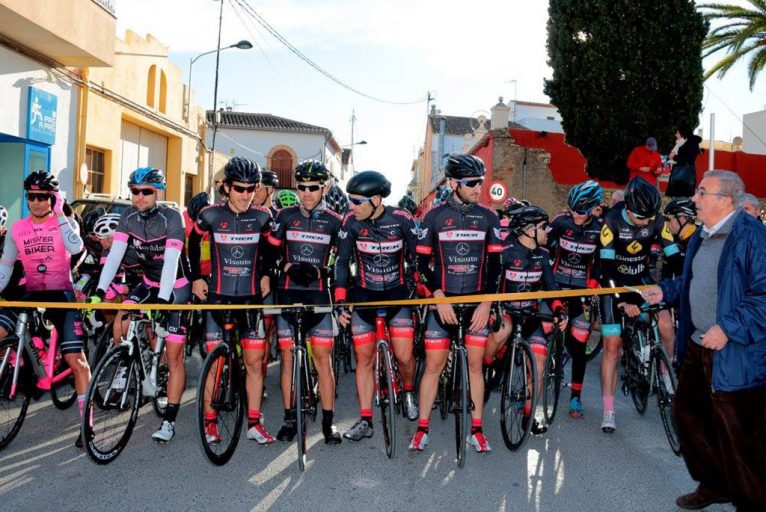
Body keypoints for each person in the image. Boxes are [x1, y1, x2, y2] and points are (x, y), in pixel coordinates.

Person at [643, 170, 766, 511]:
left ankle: (753, 501)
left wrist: (728, 328)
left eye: (701, 192)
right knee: (688, 415)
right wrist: (663, 292)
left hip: (736, 351)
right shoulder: (701, 235)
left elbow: (763, 296)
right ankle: (715, 484)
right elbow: (690, 280)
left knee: (739, 434)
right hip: (698, 345)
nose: (693, 198)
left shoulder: (752, 237)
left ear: (725, 200)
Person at [90, 167, 192, 443]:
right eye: (135, 191)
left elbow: (172, 261)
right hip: (148, 282)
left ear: (158, 192)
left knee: (173, 357)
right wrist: (99, 290)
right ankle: (126, 361)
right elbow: (115, 256)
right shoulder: (128, 217)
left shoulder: (172, 218)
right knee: (123, 315)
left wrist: (162, 301)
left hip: (176, 289)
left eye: (146, 191)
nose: (140, 196)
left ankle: (169, 421)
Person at [410, 154, 503, 452]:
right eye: (472, 183)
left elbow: (496, 264)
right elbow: (421, 262)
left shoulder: (489, 217)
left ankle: (477, 430)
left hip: (476, 303)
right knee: (434, 366)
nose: (479, 188)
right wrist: (437, 297)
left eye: (481, 182)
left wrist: (486, 303)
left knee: (475, 366)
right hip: (443, 304)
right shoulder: (434, 216)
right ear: (453, 183)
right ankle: (422, 429)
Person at [0, 172, 91, 448]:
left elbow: (76, 247)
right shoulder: (17, 228)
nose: (37, 202)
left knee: (76, 360)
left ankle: (86, 424)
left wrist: (61, 212)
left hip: (60, 295)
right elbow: (5, 266)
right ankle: (28, 364)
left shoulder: (64, 222)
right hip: (29, 292)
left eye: (43, 196)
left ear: (53, 197)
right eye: (31, 196)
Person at [189, 157, 276, 445]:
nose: (246, 195)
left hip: (250, 301)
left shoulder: (263, 216)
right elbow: (192, 242)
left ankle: (253, 422)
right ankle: (210, 423)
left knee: (254, 364)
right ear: (226, 188)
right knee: (215, 365)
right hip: (218, 298)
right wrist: (196, 278)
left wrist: (265, 274)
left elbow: (270, 251)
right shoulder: (210, 214)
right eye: (240, 189)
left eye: (251, 188)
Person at [335, 171, 419, 442]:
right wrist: (340, 299)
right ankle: (366, 419)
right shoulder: (351, 222)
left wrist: (420, 286)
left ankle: (407, 391)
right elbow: (341, 262)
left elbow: (418, 256)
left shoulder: (401, 219)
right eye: (350, 200)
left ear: (376, 199)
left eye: (357, 201)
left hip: (397, 297)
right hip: (364, 299)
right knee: (364, 360)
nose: (351, 206)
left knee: (405, 357)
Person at [267, 160, 343, 445]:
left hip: (319, 298)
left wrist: (323, 271)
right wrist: (286, 267)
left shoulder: (335, 221)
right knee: (287, 359)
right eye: (302, 187)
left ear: (324, 188)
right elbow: (270, 254)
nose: (307, 193)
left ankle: (328, 422)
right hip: (288, 296)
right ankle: (289, 419)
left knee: (323, 361)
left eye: (313, 187)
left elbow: (343, 260)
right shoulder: (285, 217)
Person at [598, 176, 681, 433]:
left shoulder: (656, 220)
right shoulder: (610, 221)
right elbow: (606, 268)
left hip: (642, 279)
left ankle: (666, 372)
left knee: (666, 324)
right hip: (614, 284)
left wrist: (669, 287)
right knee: (613, 347)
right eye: (641, 218)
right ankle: (608, 410)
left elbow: (674, 257)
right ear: (628, 210)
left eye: (650, 218)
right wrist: (623, 301)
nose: (647, 223)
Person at [487, 204, 564, 434]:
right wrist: (492, 309)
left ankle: (529, 417)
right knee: (502, 332)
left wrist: (559, 310)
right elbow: (493, 283)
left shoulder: (543, 254)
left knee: (538, 365)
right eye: (544, 227)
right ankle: (485, 367)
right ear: (530, 230)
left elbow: (551, 287)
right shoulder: (505, 251)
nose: (548, 231)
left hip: (530, 315)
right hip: (506, 311)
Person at [547, 180, 604, 418]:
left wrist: (593, 285)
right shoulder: (560, 223)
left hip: (581, 294)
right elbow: (544, 252)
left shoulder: (600, 229)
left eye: (580, 211)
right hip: (557, 288)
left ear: (593, 207)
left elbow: (602, 262)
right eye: (572, 210)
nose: (575, 215)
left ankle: (575, 398)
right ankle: (528, 395)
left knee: (578, 347)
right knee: (540, 339)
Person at [667, 126, 701, 198]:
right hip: (683, 175)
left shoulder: (691, 143)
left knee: (681, 198)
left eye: (678, 133)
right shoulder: (687, 142)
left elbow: (688, 158)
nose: (676, 135)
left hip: (684, 176)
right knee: (680, 197)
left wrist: (675, 157)